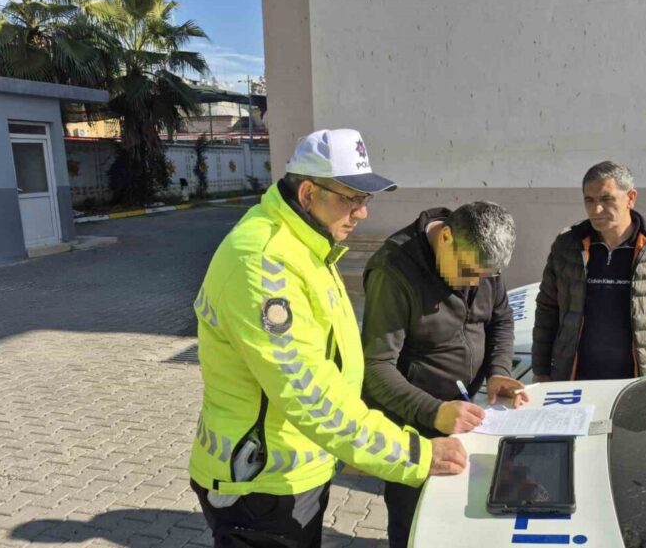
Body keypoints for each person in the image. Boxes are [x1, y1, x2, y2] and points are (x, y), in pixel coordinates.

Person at [188, 129, 467, 548]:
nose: (362, 213)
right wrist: (415, 454)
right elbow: (310, 395)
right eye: (351, 198)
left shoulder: (307, 245)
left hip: (296, 465)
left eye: (365, 199)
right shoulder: (264, 264)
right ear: (307, 194)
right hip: (262, 483)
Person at [361, 201, 527, 548]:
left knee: (462, 519)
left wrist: (498, 371)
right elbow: (376, 368)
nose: (473, 283)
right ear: (447, 236)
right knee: (416, 525)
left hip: (467, 413)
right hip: (415, 421)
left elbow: (501, 319)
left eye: (484, 277)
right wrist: (433, 412)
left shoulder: (481, 260)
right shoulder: (394, 272)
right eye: (467, 271)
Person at [532, 161, 646, 383]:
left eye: (606, 199)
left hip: (642, 381)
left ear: (630, 198)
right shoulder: (568, 245)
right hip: (575, 379)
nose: (596, 210)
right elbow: (547, 309)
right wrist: (541, 371)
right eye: (589, 200)